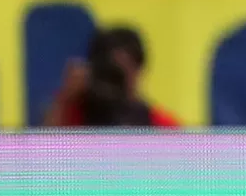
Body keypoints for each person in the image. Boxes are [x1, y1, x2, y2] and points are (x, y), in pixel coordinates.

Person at [43, 27, 178, 127]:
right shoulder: (74, 117)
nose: (113, 80)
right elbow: (45, 153)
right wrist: (65, 97)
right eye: (108, 72)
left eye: (120, 72)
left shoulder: (161, 127)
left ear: (139, 69)